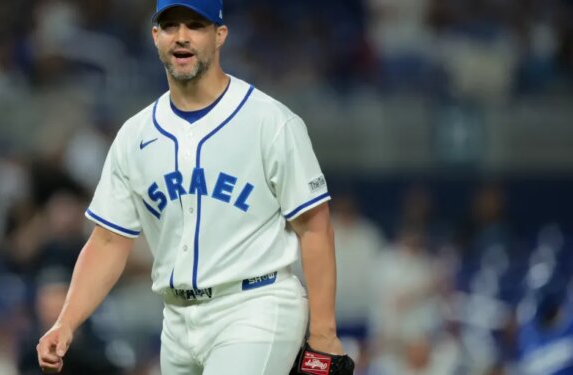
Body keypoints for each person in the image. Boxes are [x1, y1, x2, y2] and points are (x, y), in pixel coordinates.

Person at [37, 1, 346, 373]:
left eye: (195, 25)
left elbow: (314, 226)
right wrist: (65, 322)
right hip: (176, 321)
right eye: (169, 26)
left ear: (219, 36)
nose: (181, 37)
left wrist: (324, 333)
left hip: (256, 305)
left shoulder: (270, 121)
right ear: (155, 37)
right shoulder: (135, 135)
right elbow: (107, 241)